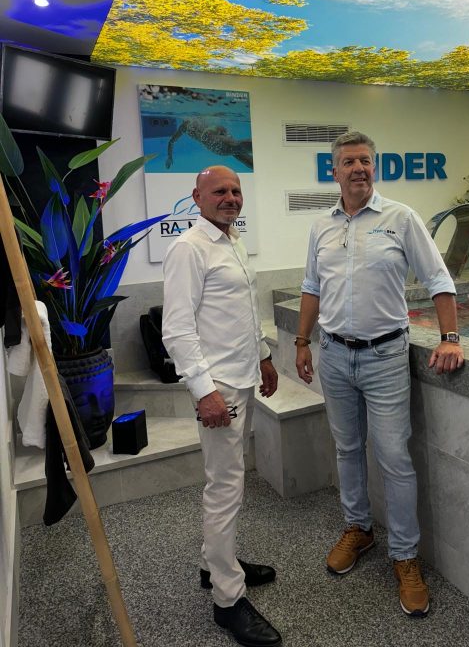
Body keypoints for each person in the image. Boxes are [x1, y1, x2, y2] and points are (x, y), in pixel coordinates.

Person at [295, 131, 464, 618]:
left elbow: (438, 278)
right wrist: (302, 342)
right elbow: (311, 286)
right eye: (349, 162)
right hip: (334, 355)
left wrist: (451, 338)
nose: (358, 169)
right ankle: (359, 528)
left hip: (386, 356)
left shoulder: (401, 218)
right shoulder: (321, 227)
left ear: (375, 167)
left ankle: (405, 556)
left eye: (365, 161)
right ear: (334, 172)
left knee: (393, 457)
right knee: (347, 448)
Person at [162, 165, 282, 647]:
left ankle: (217, 564)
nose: (230, 197)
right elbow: (177, 329)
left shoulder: (232, 242)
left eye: (235, 190)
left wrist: (264, 357)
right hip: (220, 387)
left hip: (242, 375)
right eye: (219, 191)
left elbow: (244, 312)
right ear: (197, 197)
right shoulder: (189, 248)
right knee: (225, 486)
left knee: (230, 480)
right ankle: (228, 600)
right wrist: (204, 391)